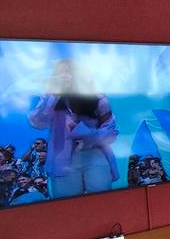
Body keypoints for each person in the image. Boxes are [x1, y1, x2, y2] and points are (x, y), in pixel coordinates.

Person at [28, 59, 119, 198]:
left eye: (69, 71)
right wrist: (53, 95)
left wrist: (85, 134)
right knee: (68, 205)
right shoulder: (50, 98)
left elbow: (111, 133)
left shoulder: (98, 99)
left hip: (94, 156)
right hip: (62, 161)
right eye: (60, 72)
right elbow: (37, 122)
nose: (64, 76)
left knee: (102, 201)